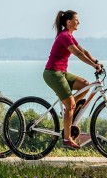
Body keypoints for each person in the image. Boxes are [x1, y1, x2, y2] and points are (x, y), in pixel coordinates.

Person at [43, 10, 103, 150]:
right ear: (68, 22)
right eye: (76, 19)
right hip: (53, 74)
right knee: (70, 105)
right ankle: (66, 138)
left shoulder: (69, 36)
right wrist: (93, 65)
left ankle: (70, 108)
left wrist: (96, 61)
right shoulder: (64, 36)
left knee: (85, 85)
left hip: (61, 73)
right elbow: (77, 54)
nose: (79, 22)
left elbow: (84, 52)